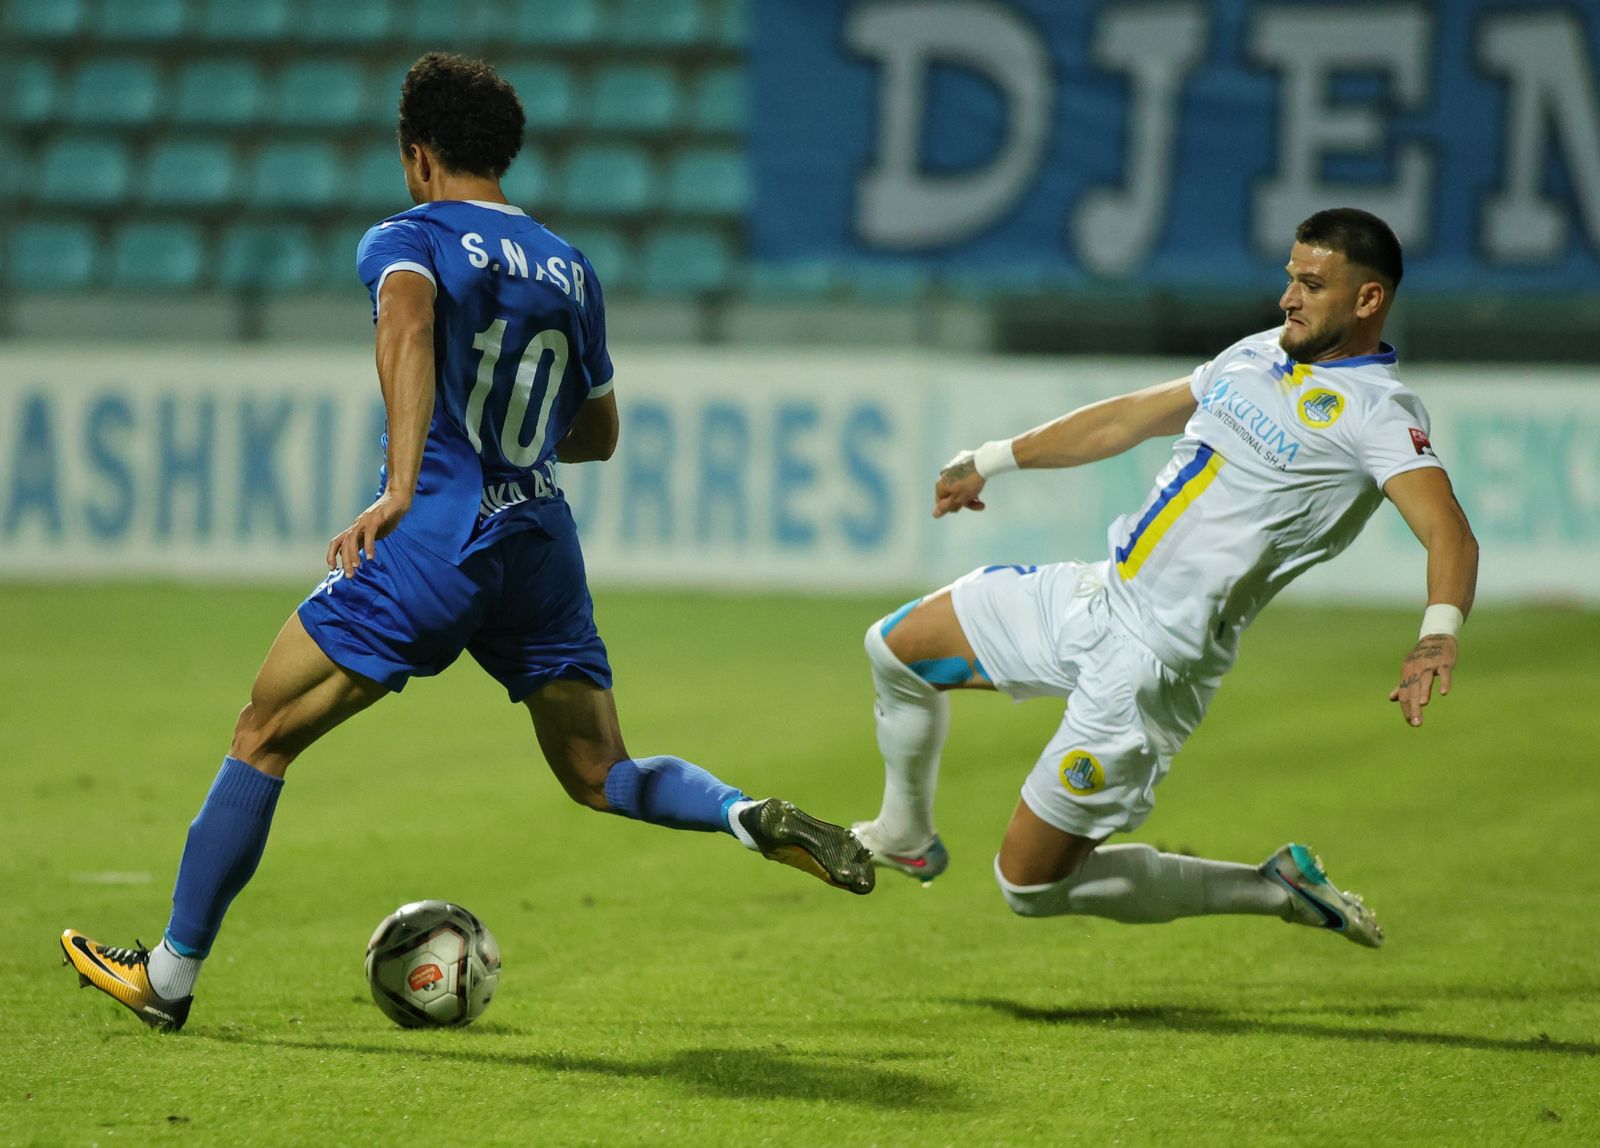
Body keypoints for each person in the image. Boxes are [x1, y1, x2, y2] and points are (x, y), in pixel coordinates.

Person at [62, 53, 872, 1033]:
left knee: (261, 734)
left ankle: (169, 976)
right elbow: (599, 435)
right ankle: (743, 813)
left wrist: (404, 486)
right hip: (538, 541)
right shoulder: (571, 268)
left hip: (435, 539)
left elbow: (406, 325)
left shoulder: (409, 238)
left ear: (419, 154)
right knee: (599, 770)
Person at [850, 208, 1476, 946]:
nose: (1288, 298)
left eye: (1311, 286)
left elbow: (1448, 531)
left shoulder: (1380, 414)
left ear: (1368, 299)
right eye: (1290, 279)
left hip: (1151, 667)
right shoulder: (1259, 352)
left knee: (1030, 887)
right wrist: (990, 459)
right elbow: (1126, 419)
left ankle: (1273, 889)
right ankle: (905, 834)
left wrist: (1436, 636)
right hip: (1097, 596)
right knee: (895, 648)